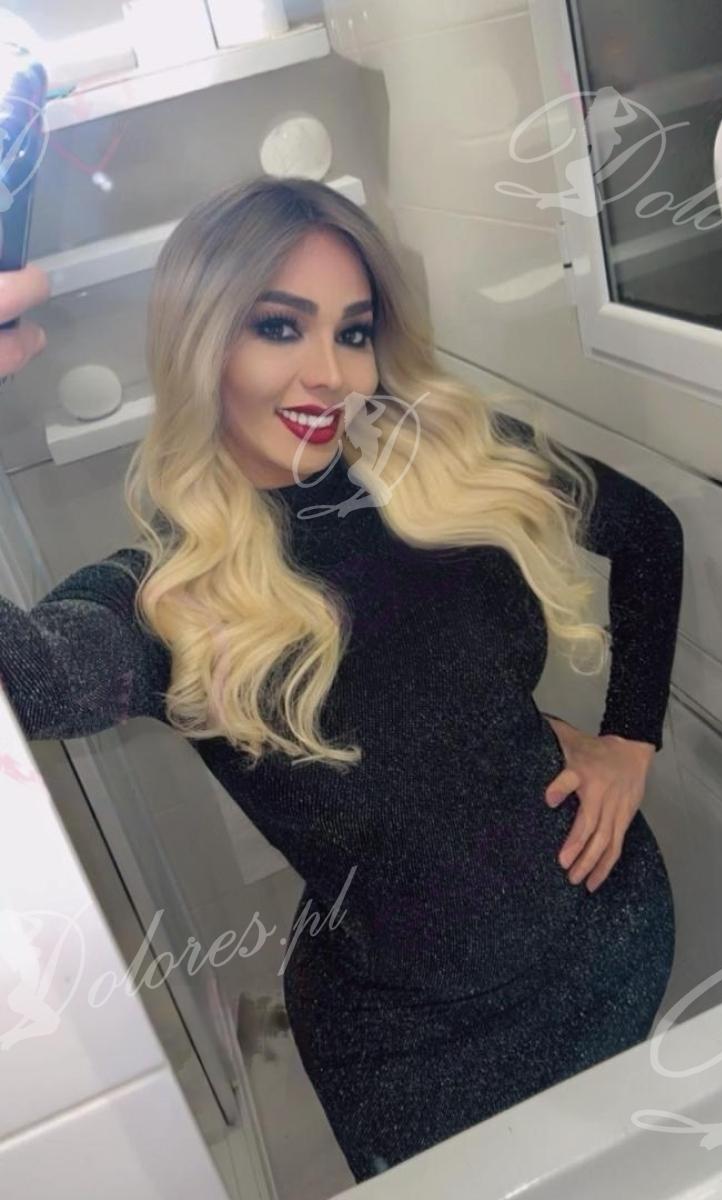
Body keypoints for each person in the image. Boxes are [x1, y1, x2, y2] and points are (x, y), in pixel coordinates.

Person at [0, 176, 683, 1184]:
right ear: (201, 342)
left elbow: (649, 533)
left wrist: (630, 738)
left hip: (614, 942)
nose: (328, 374)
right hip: (414, 1062)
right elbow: (29, 683)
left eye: (353, 332)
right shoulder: (166, 595)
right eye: (278, 326)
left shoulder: (447, 460)